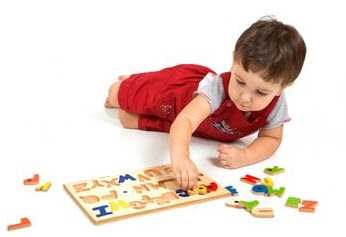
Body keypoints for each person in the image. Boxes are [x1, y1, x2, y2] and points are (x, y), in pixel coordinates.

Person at [105, 17, 306, 190]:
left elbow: (271, 138)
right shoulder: (216, 88)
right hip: (176, 96)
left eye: (261, 92)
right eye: (240, 81)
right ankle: (131, 82)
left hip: (203, 128)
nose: (245, 97)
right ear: (233, 63)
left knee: (130, 120)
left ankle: (139, 115)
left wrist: (246, 155)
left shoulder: (277, 103)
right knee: (122, 94)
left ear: (282, 88)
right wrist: (181, 158)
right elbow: (185, 122)